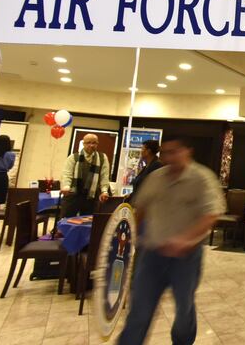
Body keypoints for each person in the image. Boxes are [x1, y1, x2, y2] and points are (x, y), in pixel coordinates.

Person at [118, 137, 225, 345]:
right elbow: (142, 208)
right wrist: (134, 236)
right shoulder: (155, 178)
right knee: (139, 310)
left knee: (184, 310)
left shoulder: (201, 178)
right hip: (152, 254)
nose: (169, 157)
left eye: (175, 151)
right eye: (166, 152)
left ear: (187, 151)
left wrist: (186, 240)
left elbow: (211, 215)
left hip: (186, 257)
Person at [60, 133, 111, 217]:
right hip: (73, 195)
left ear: (97, 144)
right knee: (65, 221)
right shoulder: (73, 157)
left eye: (94, 143)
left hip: (91, 197)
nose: (91, 145)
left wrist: (104, 191)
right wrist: (66, 186)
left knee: (86, 224)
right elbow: (67, 174)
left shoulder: (103, 158)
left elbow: (104, 176)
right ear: (83, 144)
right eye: (88, 142)